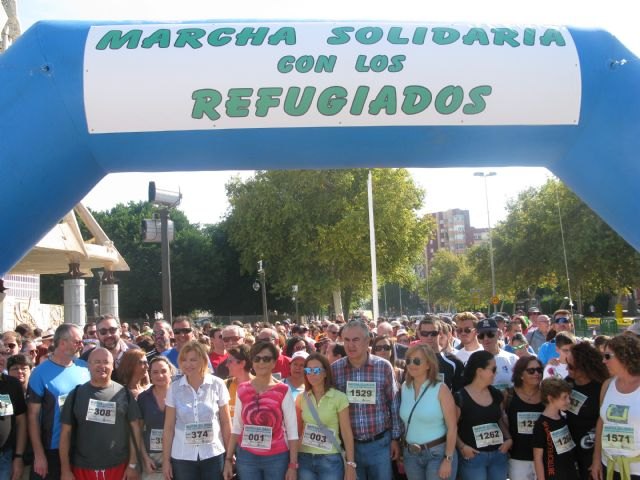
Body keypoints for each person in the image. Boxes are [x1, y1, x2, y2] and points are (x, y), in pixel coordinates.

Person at [59, 348, 144, 480]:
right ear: (88, 365)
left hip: (118, 467)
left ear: (113, 366)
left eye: (106, 362)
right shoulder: (76, 394)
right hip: (82, 468)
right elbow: (65, 433)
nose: (102, 366)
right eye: (97, 362)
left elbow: (135, 429)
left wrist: (132, 465)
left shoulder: (124, 394)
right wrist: (65, 470)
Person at [331, 320, 402, 480]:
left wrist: (395, 439)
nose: (350, 345)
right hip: (350, 447)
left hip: (380, 443)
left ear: (367, 341)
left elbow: (394, 403)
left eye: (356, 340)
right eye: (347, 340)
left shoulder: (383, 367)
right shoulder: (335, 369)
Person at [224, 341, 298, 480]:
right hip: (247, 457)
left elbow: (292, 431)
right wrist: (228, 459)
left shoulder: (283, 390)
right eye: (257, 358)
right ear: (251, 362)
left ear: (274, 362)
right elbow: (237, 427)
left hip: (276, 458)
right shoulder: (243, 389)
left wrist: (293, 465)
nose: (261, 362)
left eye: (266, 359)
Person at [27, 324, 90, 480]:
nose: (81, 345)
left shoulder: (84, 368)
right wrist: (39, 455)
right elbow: (32, 417)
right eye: (77, 341)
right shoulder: (40, 373)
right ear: (62, 343)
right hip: (52, 449)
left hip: (82, 446)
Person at [163, 341, 230, 480]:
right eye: (184, 360)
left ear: (203, 360)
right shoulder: (174, 388)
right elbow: (168, 428)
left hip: (213, 454)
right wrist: (166, 461)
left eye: (193, 359)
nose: (188, 364)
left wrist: (229, 457)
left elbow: (225, 423)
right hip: (182, 457)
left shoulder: (217, 384)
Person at [400, 344, 458, 480]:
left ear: (428, 365)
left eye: (417, 361)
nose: (411, 364)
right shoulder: (404, 387)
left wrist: (448, 459)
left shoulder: (441, 389)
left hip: (437, 454)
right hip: (411, 455)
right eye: (408, 360)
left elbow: (452, 427)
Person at [296, 353, 356, 480]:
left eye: (317, 370)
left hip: (330, 459)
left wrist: (351, 464)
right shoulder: (301, 398)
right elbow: (297, 431)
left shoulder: (339, 397)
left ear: (325, 373)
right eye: (308, 370)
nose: (312, 374)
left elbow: (346, 432)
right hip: (305, 458)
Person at [455, 351, 511, 480]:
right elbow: (452, 427)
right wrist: (462, 446)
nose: (496, 373)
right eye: (493, 369)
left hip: (498, 455)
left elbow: (499, 419)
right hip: (474, 458)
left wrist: (508, 439)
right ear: (479, 371)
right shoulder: (460, 397)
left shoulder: (496, 394)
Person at [592, 334, 640, 480]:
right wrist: (596, 459)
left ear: (623, 356)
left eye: (607, 356)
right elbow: (601, 422)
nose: (603, 361)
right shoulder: (607, 385)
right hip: (610, 467)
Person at [565, 341, 609, 479]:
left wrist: (597, 459)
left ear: (584, 367)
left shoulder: (601, 387)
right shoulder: (568, 383)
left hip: (592, 450)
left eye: (571, 366)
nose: (567, 369)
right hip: (570, 448)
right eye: (567, 363)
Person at [505, 355, 544, 479]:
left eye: (539, 370)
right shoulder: (508, 395)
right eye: (531, 371)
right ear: (521, 375)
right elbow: (499, 418)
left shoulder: (548, 395)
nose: (536, 373)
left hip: (544, 457)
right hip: (517, 457)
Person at [532, 377, 579, 480]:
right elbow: (538, 457)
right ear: (550, 398)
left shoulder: (562, 418)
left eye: (568, 397)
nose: (568, 401)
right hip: (553, 475)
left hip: (570, 473)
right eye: (564, 397)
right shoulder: (541, 424)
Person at [137, 356, 175, 480]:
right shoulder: (143, 398)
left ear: (171, 372)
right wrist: (145, 458)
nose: (159, 376)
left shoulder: (179, 395)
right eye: (155, 372)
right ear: (150, 375)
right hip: (151, 458)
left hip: (177, 455)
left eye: (163, 371)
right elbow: (138, 431)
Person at [80, 314, 139, 379]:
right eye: (103, 331)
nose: (108, 335)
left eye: (112, 330)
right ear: (97, 334)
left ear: (120, 331)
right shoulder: (86, 358)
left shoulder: (135, 352)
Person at [415, 318, 464, 391]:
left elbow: (459, 392)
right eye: (424, 333)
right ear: (419, 334)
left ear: (440, 333)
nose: (429, 337)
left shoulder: (454, 362)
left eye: (433, 333)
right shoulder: (412, 361)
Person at [0, 354, 28, 480]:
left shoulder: (12, 384)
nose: (1, 358)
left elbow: (21, 421)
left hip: (5, 457)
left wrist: (18, 457)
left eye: (3, 353)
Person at [476, 318, 518, 391]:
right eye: (481, 335)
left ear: (498, 334)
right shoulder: (475, 361)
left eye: (490, 334)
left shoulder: (513, 359)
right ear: (478, 338)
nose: (486, 338)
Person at [224, 346, 253, 419]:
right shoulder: (225, 384)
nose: (226, 365)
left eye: (230, 361)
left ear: (242, 363)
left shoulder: (260, 385)